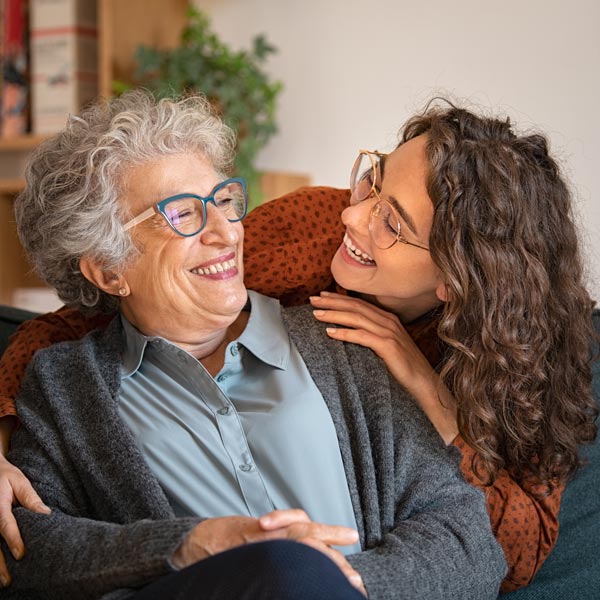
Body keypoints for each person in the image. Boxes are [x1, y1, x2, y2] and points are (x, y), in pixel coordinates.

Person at [1, 100, 595, 595]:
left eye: (225, 202)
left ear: (454, 280)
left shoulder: (355, 348)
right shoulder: (68, 383)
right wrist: (193, 545)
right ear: (108, 268)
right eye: (183, 212)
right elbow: (33, 546)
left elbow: (484, 543)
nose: (228, 230)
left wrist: (338, 584)